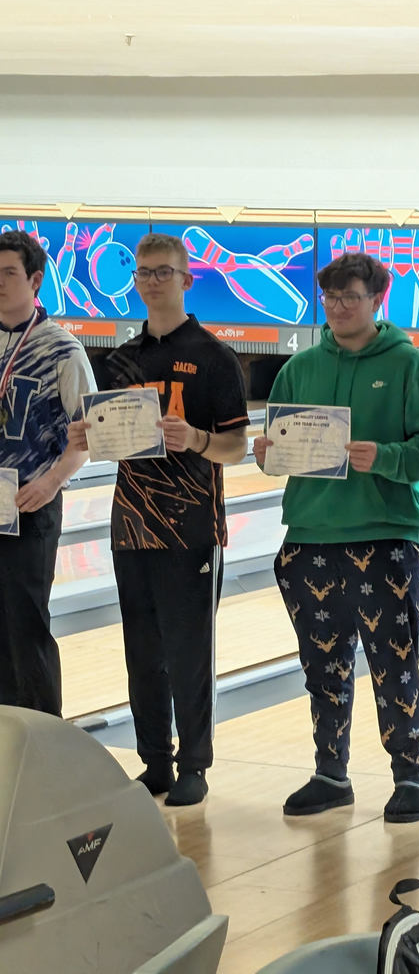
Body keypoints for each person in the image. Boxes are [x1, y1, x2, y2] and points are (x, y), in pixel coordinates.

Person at [253, 252, 419, 823]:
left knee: (395, 661)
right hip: (310, 534)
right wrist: (269, 455)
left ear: (376, 300)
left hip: (384, 535)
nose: (338, 308)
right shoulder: (300, 367)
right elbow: (280, 447)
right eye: (331, 298)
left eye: (351, 298)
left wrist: (384, 456)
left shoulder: (410, 365)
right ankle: (329, 773)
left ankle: (410, 776)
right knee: (322, 665)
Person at [69, 233, 249, 806]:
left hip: (192, 527)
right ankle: (156, 762)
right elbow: (108, 441)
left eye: (163, 272)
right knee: (142, 649)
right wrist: (86, 436)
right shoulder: (121, 358)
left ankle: (195, 764)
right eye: (144, 272)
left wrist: (197, 438)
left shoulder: (215, 356)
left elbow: (237, 447)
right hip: (131, 525)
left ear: (185, 279)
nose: (151, 280)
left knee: (189, 650)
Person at [0, 229, 95, 716]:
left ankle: (43, 739)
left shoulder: (63, 349)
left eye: (9, 273)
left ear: (35, 279)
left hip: (31, 505)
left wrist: (50, 482)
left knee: (25, 624)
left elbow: (88, 436)